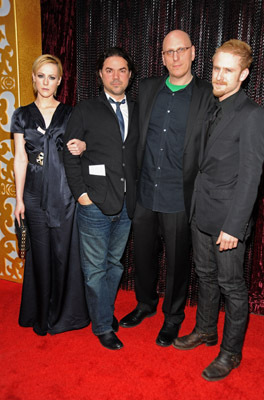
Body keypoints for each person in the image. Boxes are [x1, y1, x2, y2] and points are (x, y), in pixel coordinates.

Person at [173, 40, 264, 381]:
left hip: (228, 220)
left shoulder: (253, 116)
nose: (218, 76)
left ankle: (230, 352)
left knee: (232, 285)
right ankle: (206, 330)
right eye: (215, 68)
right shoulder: (211, 107)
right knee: (205, 275)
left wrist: (234, 225)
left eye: (227, 70)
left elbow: (251, 178)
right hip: (202, 211)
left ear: (243, 74)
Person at [119, 30, 214, 347]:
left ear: (193, 52)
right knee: (143, 256)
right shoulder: (147, 89)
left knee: (177, 263)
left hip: (180, 195)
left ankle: (173, 317)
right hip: (145, 192)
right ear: (161, 57)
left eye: (181, 50)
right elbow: (126, 133)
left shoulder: (207, 94)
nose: (175, 57)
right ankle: (145, 305)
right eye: (168, 52)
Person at [63, 47, 138, 350]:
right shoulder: (85, 109)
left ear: (130, 75)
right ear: (100, 75)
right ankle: (103, 325)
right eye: (109, 70)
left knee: (115, 265)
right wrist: (81, 195)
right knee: (95, 270)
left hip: (127, 205)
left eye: (121, 70)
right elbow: (68, 153)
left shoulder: (138, 109)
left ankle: (103, 311)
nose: (116, 75)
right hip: (94, 205)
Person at [11, 54, 90, 336]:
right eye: (41, 76)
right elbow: (20, 158)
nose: (46, 82)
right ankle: (41, 314)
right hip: (33, 193)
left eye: (52, 77)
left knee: (64, 252)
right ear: (33, 77)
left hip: (65, 192)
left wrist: (81, 145)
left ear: (59, 81)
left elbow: (82, 146)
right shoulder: (21, 114)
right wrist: (18, 200)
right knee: (40, 254)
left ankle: (66, 314)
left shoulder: (71, 113)